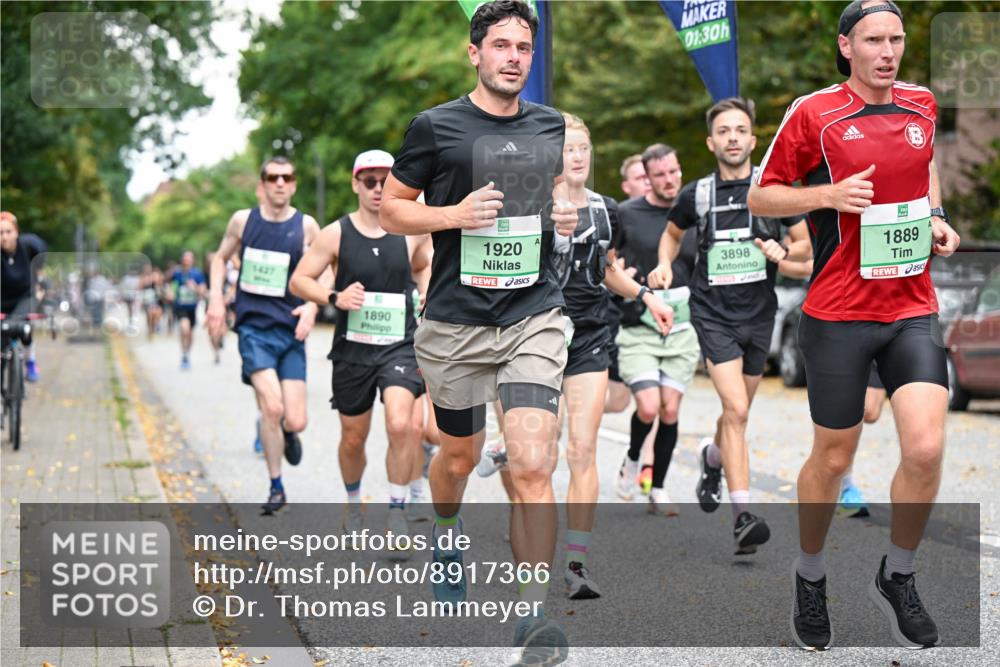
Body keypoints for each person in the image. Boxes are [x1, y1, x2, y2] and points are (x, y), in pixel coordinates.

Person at [748, 0, 961, 650]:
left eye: (896, 39)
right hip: (838, 312)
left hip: (911, 306)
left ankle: (897, 572)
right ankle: (810, 573)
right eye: (874, 40)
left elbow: (924, 174)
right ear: (847, 46)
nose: (888, 51)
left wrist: (935, 219)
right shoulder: (815, 113)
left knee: (925, 448)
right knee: (834, 458)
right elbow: (762, 195)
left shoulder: (921, 104)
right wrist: (826, 196)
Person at [379, 1, 578, 662]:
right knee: (459, 458)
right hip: (455, 326)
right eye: (501, 45)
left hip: (533, 317)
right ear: (475, 53)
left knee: (531, 461)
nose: (513, 57)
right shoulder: (435, 126)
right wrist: (453, 214)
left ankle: (532, 613)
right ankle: (445, 527)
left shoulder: (551, 125)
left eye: (524, 46)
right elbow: (393, 210)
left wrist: (564, 213)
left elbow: (548, 202)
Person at [649, 97, 811, 555]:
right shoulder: (696, 195)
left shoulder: (775, 191)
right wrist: (663, 265)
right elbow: (672, 234)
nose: (733, 137)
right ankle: (742, 516)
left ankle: (713, 457)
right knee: (736, 410)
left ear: (754, 140)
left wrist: (785, 255)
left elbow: (805, 252)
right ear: (711, 141)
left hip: (760, 314)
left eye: (741, 130)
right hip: (713, 313)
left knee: (736, 413)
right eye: (724, 131)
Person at [553, 113, 673, 598]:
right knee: (537, 456)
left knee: (581, 449)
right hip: (535, 336)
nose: (577, 156)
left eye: (583, 147)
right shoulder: (531, 207)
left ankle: (576, 564)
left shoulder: (606, 210)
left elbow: (606, 270)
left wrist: (646, 296)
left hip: (590, 336)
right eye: (567, 148)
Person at [290, 149, 432, 554]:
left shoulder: (410, 231)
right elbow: (300, 281)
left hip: (399, 346)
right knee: (354, 439)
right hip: (352, 350)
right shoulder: (335, 233)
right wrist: (334, 295)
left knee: (403, 425)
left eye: (385, 180)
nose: (377, 188)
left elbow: (425, 264)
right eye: (369, 180)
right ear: (355, 184)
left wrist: (424, 292)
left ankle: (397, 511)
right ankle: (353, 505)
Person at [206, 157, 324, 515]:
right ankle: (276, 487)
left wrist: (313, 307)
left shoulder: (306, 226)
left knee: (296, 418)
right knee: (271, 408)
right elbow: (219, 258)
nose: (279, 183)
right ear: (262, 183)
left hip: (290, 330)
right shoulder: (243, 221)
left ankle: (287, 432)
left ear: (294, 184)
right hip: (254, 329)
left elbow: (330, 267)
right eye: (272, 177)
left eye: (286, 177)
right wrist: (214, 298)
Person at [612, 144, 698, 516]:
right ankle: (633, 458)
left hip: (682, 327)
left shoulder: (693, 213)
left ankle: (658, 486)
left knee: (670, 409)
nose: (669, 180)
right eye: (660, 174)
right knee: (647, 407)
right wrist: (624, 280)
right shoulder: (626, 213)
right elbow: (608, 264)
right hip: (639, 323)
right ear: (647, 177)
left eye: (674, 172)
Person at [1, 211, 47, 381]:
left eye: (8, 232)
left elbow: (40, 262)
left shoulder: (29, 245)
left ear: (16, 232)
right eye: (0, 233)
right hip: (2, 300)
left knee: (22, 329)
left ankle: (30, 361)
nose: (4, 237)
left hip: (24, 297)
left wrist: (40, 285)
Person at [167, 251, 207, 370]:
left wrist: (194, 287)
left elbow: (203, 291)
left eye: (189, 259)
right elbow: (171, 286)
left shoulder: (197, 274)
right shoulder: (177, 274)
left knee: (189, 332)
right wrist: (171, 293)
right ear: (182, 260)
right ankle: (184, 353)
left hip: (192, 307)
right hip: (180, 307)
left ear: (192, 260)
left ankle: (187, 354)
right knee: (184, 328)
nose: (187, 261)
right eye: (185, 258)